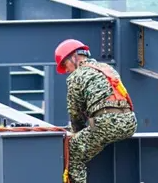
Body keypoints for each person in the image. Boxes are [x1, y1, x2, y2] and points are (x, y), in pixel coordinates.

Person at [54, 39, 137, 183]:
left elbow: (76, 113)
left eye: (65, 64)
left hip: (106, 123)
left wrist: (77, 132)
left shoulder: (76, 76)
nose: (66, 70)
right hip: (130, 122)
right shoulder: (107, 68)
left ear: (74, 57)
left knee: (72, 154)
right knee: (95, 137)